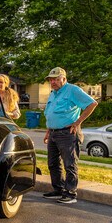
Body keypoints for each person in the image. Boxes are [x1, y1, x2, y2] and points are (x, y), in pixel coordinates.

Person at [42, 67, 98, 204]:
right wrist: (49, 130)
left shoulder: (72, 90)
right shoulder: (53, 93)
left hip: (68, 134)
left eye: (56, 79)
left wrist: (78, 122)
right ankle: (59, 190)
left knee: (70, 164)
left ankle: (70, 193)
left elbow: (92, 103)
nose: (53, 82)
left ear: (64, 79)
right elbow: (52, 113)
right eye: (51, 79)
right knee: (53, 163)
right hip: (54, 133)